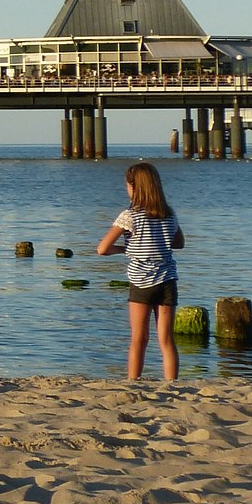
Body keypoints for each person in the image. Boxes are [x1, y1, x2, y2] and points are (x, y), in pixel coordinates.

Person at [97, 162, 187, 380]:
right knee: (166, 339)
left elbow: (102, 249)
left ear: (133, 187)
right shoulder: (169, 213)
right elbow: (179, 243)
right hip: (167, 280)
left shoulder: (130, 216)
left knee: (139, 337)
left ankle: (134, 381)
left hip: (141, 281)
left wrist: (126, 248)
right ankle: (172, 384)